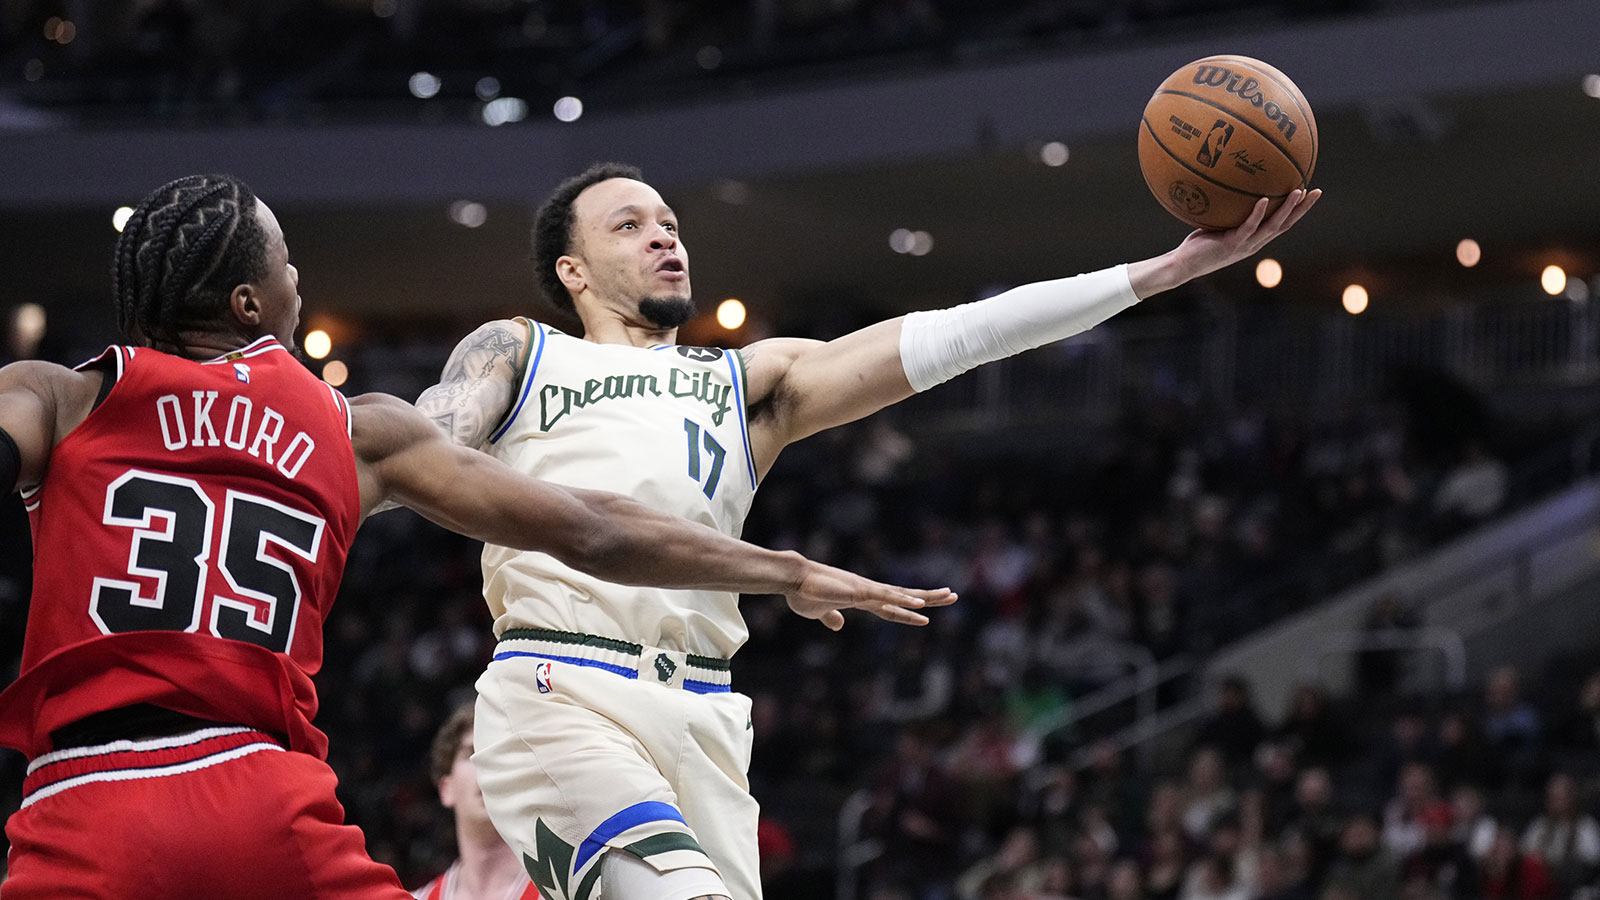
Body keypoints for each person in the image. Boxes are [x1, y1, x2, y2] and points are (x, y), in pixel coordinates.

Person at [0, 174, 950, 899]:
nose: (297, 276)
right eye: (286, 262)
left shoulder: (56, 395)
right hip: (259, 791)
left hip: (84, 798)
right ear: (250, 306)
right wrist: (783, 569)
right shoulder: (354, 428)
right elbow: (595, 530)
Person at [416, 161, 1319, 900]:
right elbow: (422, 445)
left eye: (670, 222)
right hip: (559, 684)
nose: (664, 235)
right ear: (571, 271)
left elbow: (952, 338)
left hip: (703, 713)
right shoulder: (522, 350)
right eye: (628, 225)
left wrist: (1155, 275)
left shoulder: (748, 379)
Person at [414, 704, 540, 900]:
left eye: (497, 753)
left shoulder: (567, 894)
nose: (486, 766)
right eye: (471, 753)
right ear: (446, 789)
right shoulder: (417, 898)